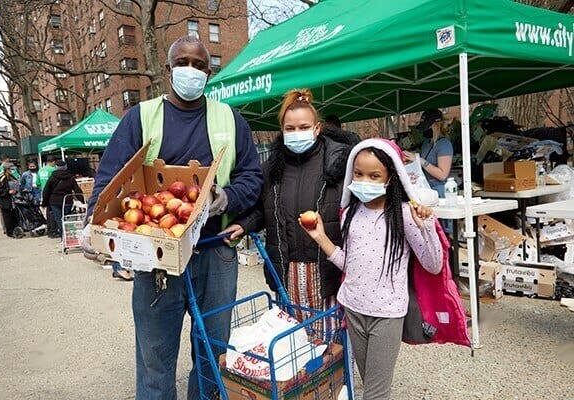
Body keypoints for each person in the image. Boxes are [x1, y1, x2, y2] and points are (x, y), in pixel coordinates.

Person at [84, 35, 262, 399]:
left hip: (214, 251)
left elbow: (252, 175)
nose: (191, 71)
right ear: (168, 70)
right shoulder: (140, 117)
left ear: (209, 73)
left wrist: (227, 197)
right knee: (155, 357)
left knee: (213, 352)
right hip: (157, 258)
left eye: (199, 65)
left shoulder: (229, 119)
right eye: (183, 63)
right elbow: (111, 176)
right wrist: (94, 223)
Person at [301, 138, 443, 400]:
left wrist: (427, 227)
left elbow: (433, 266)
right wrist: (320, 237)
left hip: (386, 315)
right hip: (353, 309)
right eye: (358, 174)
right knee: (369, 385)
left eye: (374, 175)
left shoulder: (404, 215)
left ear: (392, 178)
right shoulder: (351, 214)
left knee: (376, 394)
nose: (364, 180)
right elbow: (350, 265)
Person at [222, 89, 355, 335]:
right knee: (294, 340)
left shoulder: (339, 163)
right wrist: (245, 225)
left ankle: (334, 374)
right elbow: (264, 210)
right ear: (282, 132)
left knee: (331, 338)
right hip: (286, 267)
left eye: (304, 127)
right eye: (290, 129)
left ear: (317, 129)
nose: (296, 134)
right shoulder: (271, 169)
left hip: (326, 264)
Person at [404, 108, 453, 198]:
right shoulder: (427, 143)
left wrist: (420, 160)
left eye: (427, 126)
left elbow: (442, 175)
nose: (424, 130)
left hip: (439, 191)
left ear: (436, 125)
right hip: (425, 188)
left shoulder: (444, 144)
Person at [42, 160, 84, 239]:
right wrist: (82, 201)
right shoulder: (71, 178)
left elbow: (46, 191)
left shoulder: (52, 177)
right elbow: (77, 190)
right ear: (65, 167)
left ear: (56, 167)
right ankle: (68, 236)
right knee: (66, 219)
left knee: (59, 219)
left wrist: (45, 203)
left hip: (54, 201)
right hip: (67, 200)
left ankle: (63, 237)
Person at [0, 162, 20, 237]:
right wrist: (8, 192)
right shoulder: (1, 177)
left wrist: (15, 191)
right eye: (11, 169)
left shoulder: (12, 176)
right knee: (7, 217)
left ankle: (15, 230)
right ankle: (9, 232)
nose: (12, 170)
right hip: (4, 201)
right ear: (6, 169)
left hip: (13, 200)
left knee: (14, 216)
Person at [38, 156, 59, 238]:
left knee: (48, 211)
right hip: (52, 193)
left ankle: (49, 229)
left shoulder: (40, 170)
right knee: (53, 212)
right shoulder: (53, 170)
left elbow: (38, 183)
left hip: (44, 192)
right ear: (53, 162)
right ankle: (54, 230)